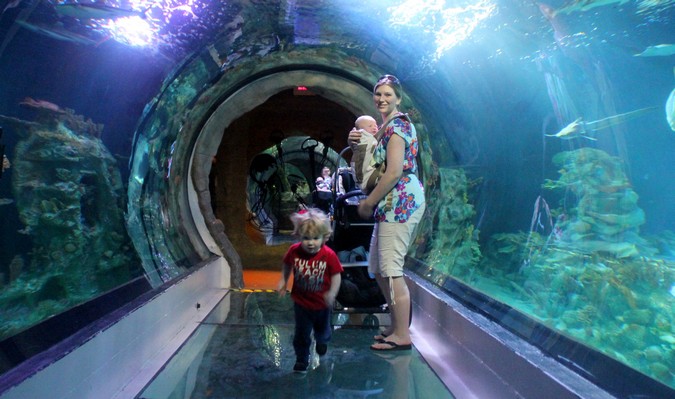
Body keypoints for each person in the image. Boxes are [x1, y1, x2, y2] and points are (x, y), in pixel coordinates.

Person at [348, 74, 426, 351]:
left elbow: (393, 172)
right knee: (379, 270)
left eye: (387, 95)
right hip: (389, 205)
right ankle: (395, 326)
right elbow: (368, 167)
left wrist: (368, 203)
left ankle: (402, 335)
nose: (381, 99)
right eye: (377, 94)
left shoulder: (399, 127)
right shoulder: (383, 128)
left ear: (398, 98)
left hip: (401, 202)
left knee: (391, 270)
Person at [277, 207, 343, 373]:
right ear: (299, 237)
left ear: (324, 237)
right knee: (301, 334)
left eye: (315, 238)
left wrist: (332, 293)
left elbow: (336, 275)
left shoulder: (329, 255)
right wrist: (283, 281)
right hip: (302, 303)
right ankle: (301, 360)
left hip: (322, 303)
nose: (311, 242)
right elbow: (287, 264)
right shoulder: (294, 251)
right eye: (306, 238)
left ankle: (322, 341)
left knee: (323, 330)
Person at [351, 115, 380, 192]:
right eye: (370, 126)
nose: (375, 128)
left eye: (376, 126)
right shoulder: (363, 136)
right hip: (367, 177)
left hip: (365, 179)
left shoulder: (371, 139)